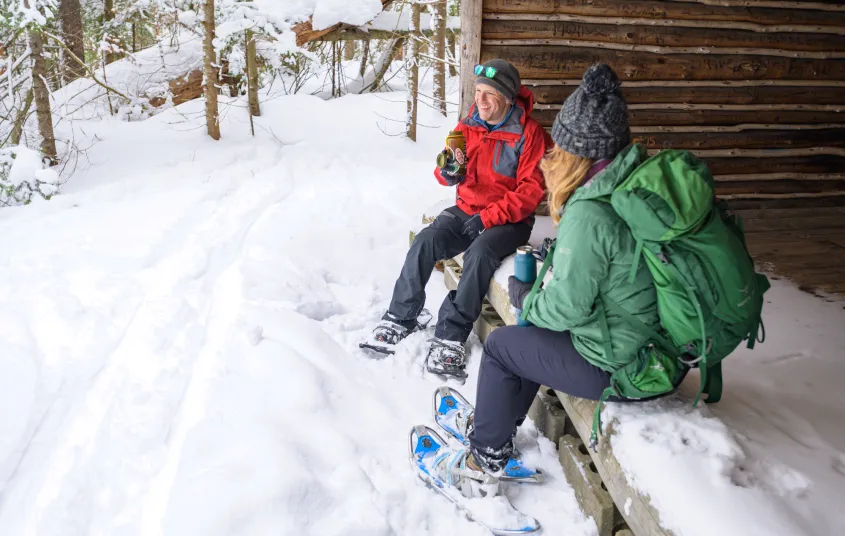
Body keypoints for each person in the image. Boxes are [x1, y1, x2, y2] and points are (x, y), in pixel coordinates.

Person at [441, 63, 687, 495]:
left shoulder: (591, 212)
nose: (554, 157)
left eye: (562, 148)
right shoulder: (629, 184)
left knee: (502, 345)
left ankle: (484, 458)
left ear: (581, 152)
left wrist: (526, 296)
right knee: (530, 332)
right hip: (652, 348)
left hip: (625, 366)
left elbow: (565, 309)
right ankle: (496, 425)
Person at [362, 59, 548, 380]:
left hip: (509, 221)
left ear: (507, 98)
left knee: (479, 253)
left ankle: (452, 331)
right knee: (426, 240)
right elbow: (445, 170)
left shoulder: (529, 135)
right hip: (466, 211)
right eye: (478, 92)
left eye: (489, 94)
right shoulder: (467, 126)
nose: (481, 100)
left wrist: (488, 218)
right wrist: (448, 171)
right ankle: (401, 315)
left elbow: (530, 193)